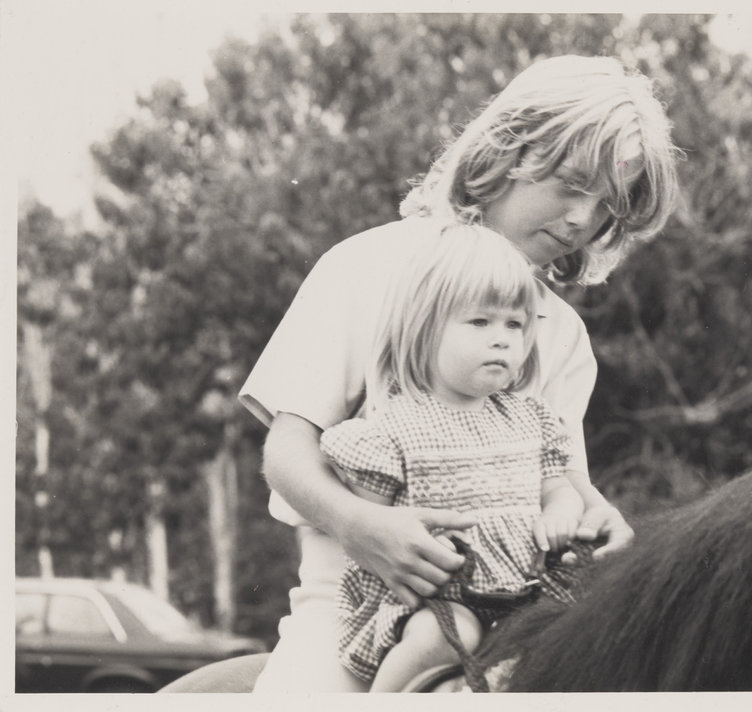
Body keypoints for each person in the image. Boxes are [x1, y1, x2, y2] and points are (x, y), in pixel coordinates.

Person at [241, 54, 681, 691]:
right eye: (571, 183)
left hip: (519, 606)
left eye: (606, 206)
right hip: (353, 603)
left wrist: (600, 520)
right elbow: (287, 448)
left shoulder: (561, 334)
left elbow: (559, 481)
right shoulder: (365, 267)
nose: (583, 219)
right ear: (506, 151)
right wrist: (360, 525)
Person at [324, 225, 583, 690]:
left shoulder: (530, 418)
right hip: (440, 593)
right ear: (425, 330)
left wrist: (561, 512)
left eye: (514, 325)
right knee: (445, 637)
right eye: (480, 323)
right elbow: (369, 522)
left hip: (527, 586)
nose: (502, 339)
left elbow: (558, 485)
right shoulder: (395, 427)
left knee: (572, 639)